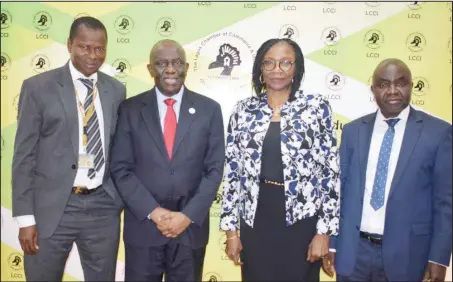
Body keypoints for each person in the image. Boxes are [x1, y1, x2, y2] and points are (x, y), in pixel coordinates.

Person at [12, 17, 126, 281]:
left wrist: (116, 199)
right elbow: (23, 157)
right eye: (84, 47)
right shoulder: (38, 87)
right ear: (69, 45)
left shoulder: (115, 89)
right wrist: (25, 219)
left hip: (102, 208)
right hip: (52, 209)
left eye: (99, 49)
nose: (92, 55)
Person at [220, 38, 340, 281]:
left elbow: (330, 173)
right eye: (269, 63)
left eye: (286, 63)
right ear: (260, 69)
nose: (277, 69)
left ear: (297, 69)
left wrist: (324, 233)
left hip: (302, 220)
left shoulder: (316, 107)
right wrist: (232, 232)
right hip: (256, 219)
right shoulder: (243, 110)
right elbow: (232, 174)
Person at [323, 58, 452, 281]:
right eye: (383, 85)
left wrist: (438, 258)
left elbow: (445, 202)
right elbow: (338, 192)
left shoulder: (438, 133)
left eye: (400, 83)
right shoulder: (354, 131)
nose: (392, 91)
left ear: (411, 85)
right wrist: (333, 244)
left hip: (409, 255)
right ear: (373, 90)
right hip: (355, 254)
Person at [110, 39, 225, 282]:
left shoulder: (209, 110)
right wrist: (153, 212)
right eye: (161, 63)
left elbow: (214, 170)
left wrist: (187, 215)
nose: (170, 69)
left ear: (186, 67)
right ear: (150, 69)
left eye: (176, 63)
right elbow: (121, 168)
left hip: (189, 230)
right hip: (144, 229)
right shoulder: (130, 109)